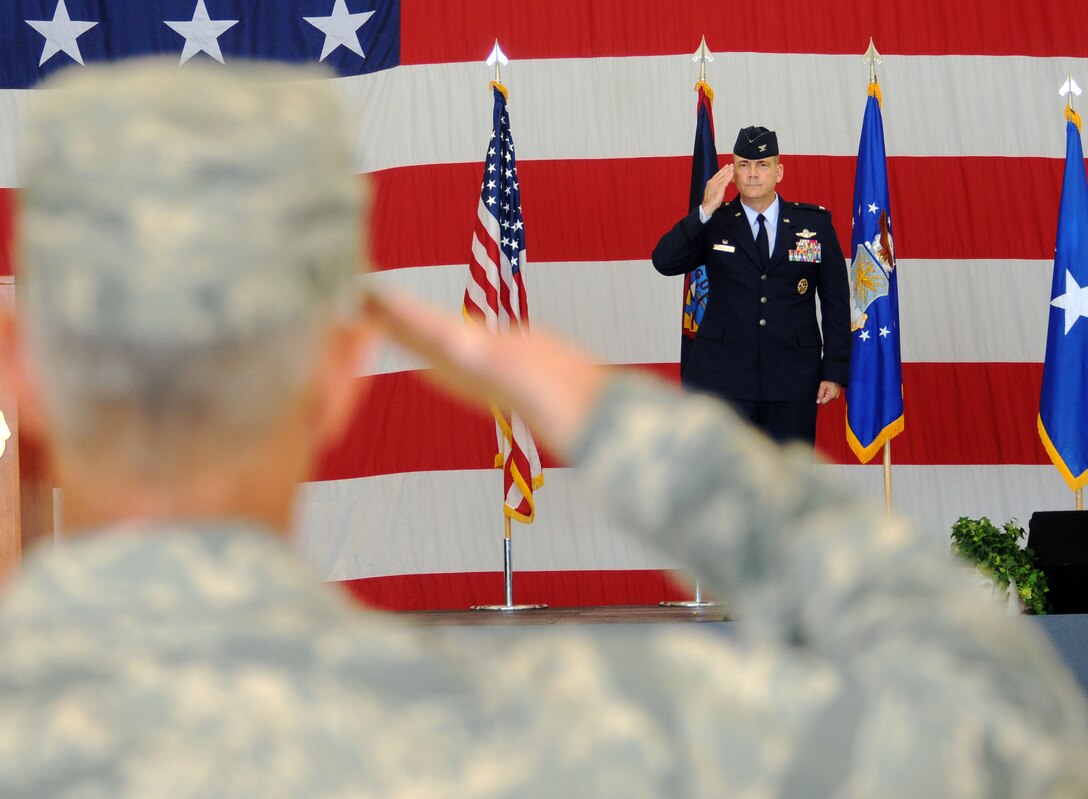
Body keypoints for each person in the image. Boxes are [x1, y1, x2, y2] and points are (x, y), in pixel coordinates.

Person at [0, 59, 1086, 799]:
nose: (753, 170)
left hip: (785, 376)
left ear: (22, 370)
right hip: (723, 397)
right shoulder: (567, 719)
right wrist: (609, 416)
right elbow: (1010, 722)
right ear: (339, 378)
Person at [652, 126, 852, 445]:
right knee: (727, 483)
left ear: (779, 171)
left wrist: (835, 369)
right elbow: (664, 261)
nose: (753, 174)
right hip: (723, 379)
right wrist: (703, 210)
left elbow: (836, 303)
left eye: (763, 165)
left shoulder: (814, 225)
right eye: (744, 165)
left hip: (793, 377)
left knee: (787, 483)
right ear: (733, 172)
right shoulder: (715, 221)